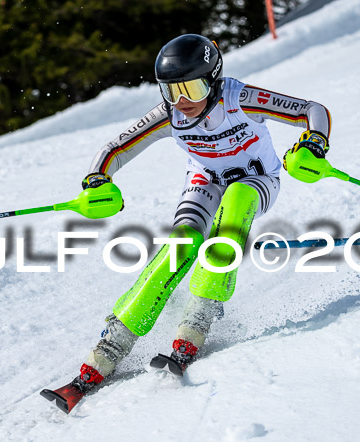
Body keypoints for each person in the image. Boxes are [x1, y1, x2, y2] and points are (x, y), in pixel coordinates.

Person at [67, 34, 331, 397]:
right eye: (171, 91)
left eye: (191, 88)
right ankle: (113, 342)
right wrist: (98, 179)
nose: (182, 101)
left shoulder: (239, 98)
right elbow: (116, 148)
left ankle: (198, 319)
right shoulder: (171, 114)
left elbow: (311, 109)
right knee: (184, 243)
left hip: (257, 178)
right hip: (205, 179)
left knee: (236, 203)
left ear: (214, 78)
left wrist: (313, 142)